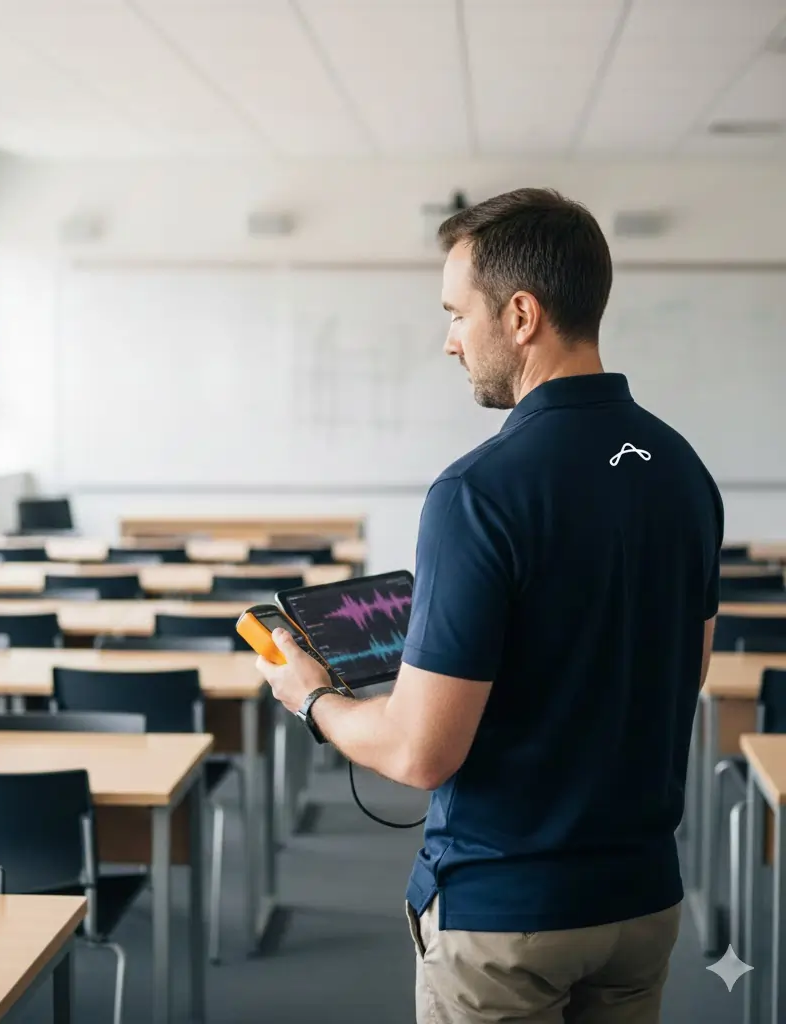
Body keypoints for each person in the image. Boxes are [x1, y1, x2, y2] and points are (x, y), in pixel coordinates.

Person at [256, 188, 723, 1023]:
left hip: (508, 916)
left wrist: (313, 698)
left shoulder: (478, 493)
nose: (448, 341)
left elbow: (419, 753)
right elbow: (681, 674)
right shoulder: (682, 470)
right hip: (642, 901)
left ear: (519, 314)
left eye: (455, 313)